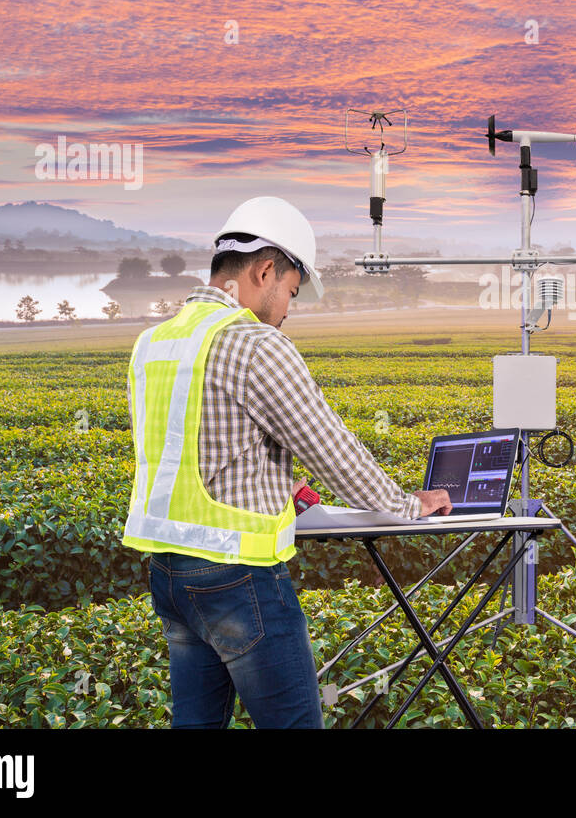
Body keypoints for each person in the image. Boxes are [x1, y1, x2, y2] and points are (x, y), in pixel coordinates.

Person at [121, 195, 451, 728]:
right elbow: (333, 451)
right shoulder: (254, 343)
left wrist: (278, 486)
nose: (288, 310)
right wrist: (408, 504)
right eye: (292, 293)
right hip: (238, 579)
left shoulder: (153, 342)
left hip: (171, 577)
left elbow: (188, 448)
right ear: (266, 269)